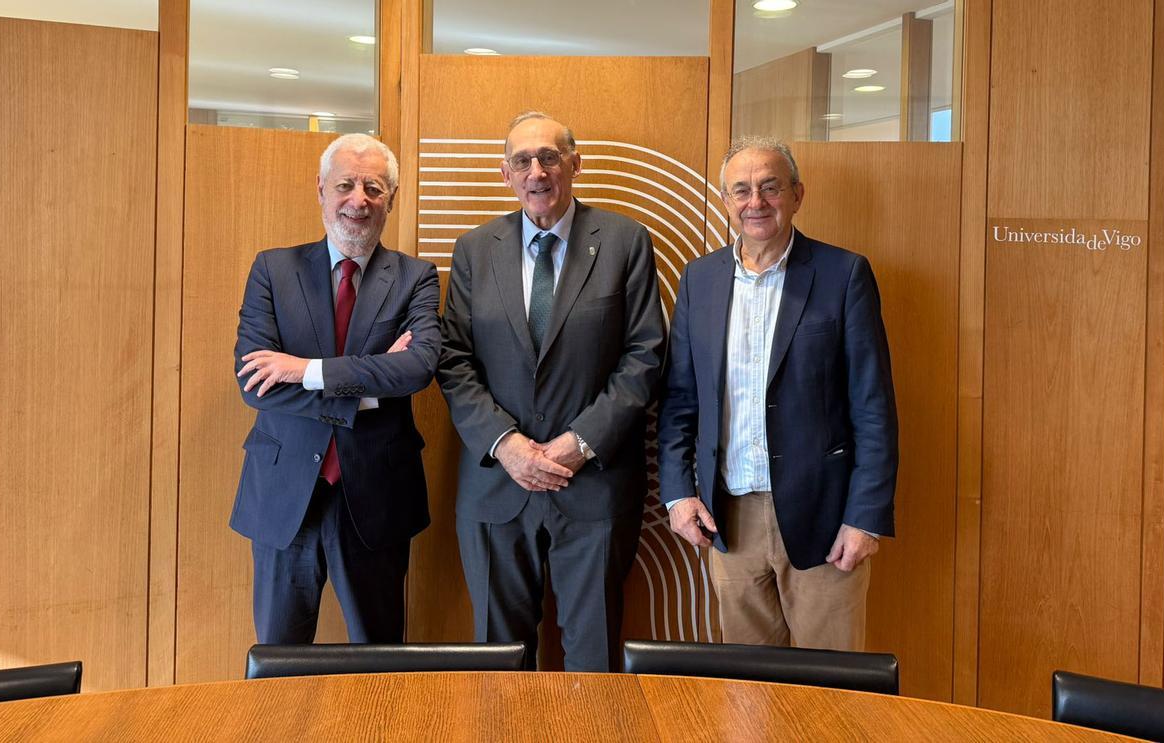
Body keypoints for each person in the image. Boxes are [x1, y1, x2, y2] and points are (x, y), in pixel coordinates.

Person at [437, 112, 665, 671]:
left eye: (549, 157)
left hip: (594, 486)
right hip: (497, 486)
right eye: (522, 161)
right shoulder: (474, 249)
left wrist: (579, 443)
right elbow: (453, 358)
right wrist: (506, 444)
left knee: (593, 660)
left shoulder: (625, 241)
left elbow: (645, 356)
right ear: (505, 173)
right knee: (499, 664)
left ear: (575, 164)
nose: (536, 172)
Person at [657, 135, 897, 650]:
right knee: (747, 685)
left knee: (828, 686)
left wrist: (865, 517)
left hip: (825, 520)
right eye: (741, 191)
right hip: (730, 519)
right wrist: (678, 494)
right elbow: (680, 400)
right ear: (726, 201)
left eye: (770, 187)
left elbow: (873, 407)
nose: (756, 202)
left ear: (797, 195)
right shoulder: (700, 280)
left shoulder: (843, 274)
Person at [232, 133, 440, 644]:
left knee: (380, 661)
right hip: (284, 495)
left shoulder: (416, 278)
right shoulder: (273, 270)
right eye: (345, 185)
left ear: (391, 197)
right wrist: (371, 387)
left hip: (378, 495)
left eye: (374, 188)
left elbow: (417, 368)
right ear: (321, 189)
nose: (358, 200)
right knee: (279, 660)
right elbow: (255, 383)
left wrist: (305, 370)